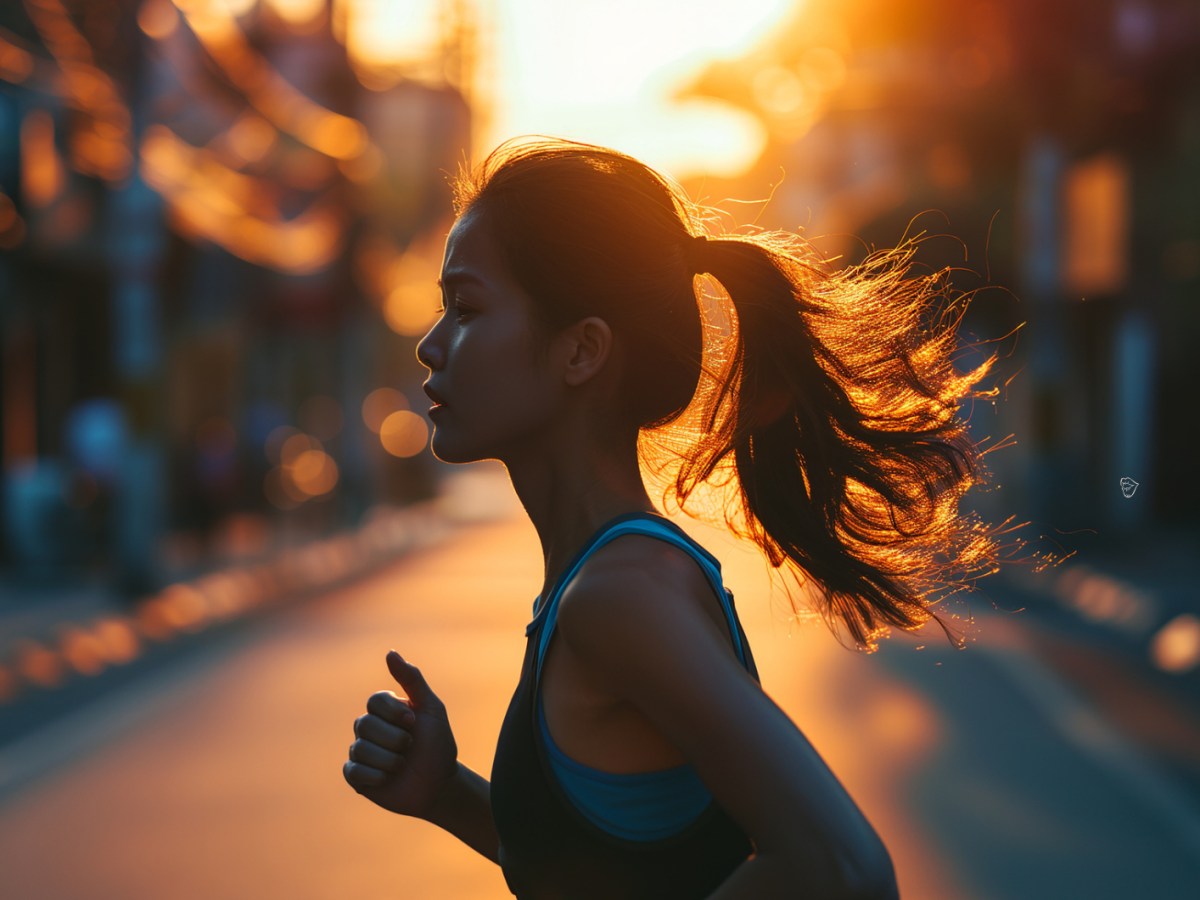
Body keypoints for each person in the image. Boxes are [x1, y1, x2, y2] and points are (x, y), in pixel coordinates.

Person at [344, 136, 1006, 898]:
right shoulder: (598, 583)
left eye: (466, 307)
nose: (430, 346)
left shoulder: (620, 595)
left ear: (581, 351)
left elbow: (843, 868)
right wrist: (449, 797)